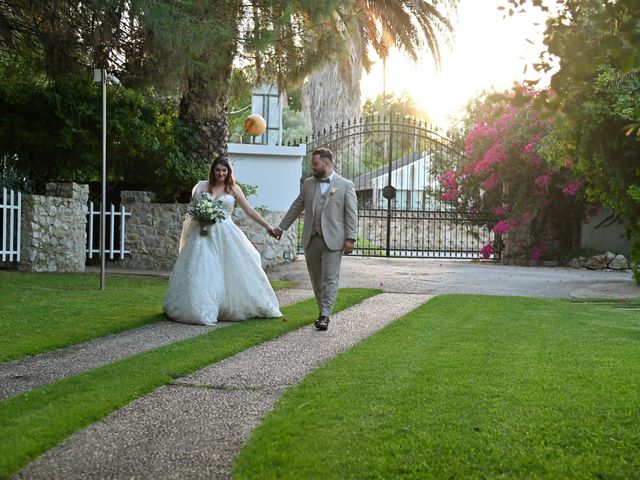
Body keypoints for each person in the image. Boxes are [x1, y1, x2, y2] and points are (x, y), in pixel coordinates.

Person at [163, 156, 282, 325]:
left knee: (233, 269)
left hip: (226, 233)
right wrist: (201, 217)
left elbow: (248, 210)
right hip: (202, 233)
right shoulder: (202, 186)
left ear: (229, 172)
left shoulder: (233, 189)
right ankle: (199, 307)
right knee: (202, 268)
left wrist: (268, 226)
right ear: (213, 171)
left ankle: (229, 305)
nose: (221, 173)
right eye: (218, 170)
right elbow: (192, 209)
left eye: (224, 170)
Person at [272, 147, 357, 331]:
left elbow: (351, 214)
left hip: (334, 240)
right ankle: (322, 311)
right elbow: (297, 206)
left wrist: (351, 238)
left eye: (315, 164)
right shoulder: (309, 184)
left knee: (330, 279)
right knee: (316, 280)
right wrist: (281, 228)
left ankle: (325, 315)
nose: (312, 168)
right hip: (312, 239)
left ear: (325, 163)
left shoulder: (345, 185)